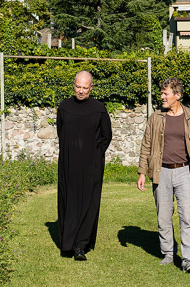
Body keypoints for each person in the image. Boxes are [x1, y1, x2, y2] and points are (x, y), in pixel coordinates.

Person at [137, 77, 190, 273]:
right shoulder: (156, 117)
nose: (162, 97)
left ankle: (188, 259)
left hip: (185, 171)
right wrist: (142, 172)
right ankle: (168, 253)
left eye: (165, 93)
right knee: (164, 216)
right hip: (162, 171)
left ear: (177, 95)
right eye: (161, 93)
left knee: (187, 217)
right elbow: (146, 146)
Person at [57, 70, 112, 260]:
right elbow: (61, 132)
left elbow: (106, 137)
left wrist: (95, 154)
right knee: (69, 200)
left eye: (85, 88)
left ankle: (81, 245)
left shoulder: (99, 108)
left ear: (91, 88)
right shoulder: (64, 107)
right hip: (68, 163)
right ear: (73, 85)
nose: (81, 91)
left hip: (92, 165)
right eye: (78, 87)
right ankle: (67, 242)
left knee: (89, 202)